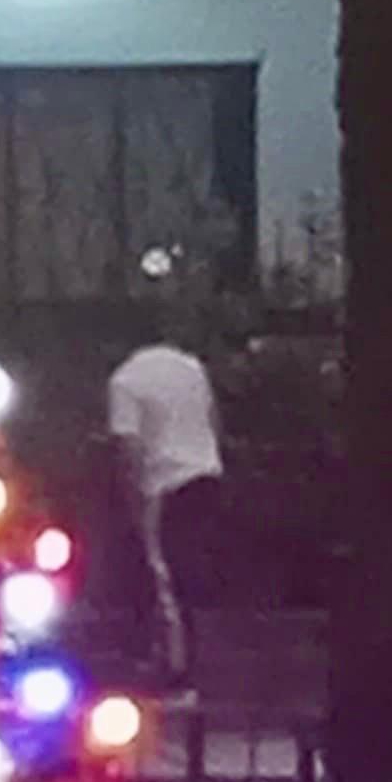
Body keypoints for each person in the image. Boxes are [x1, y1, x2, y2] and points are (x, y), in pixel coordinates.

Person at [107, 295, 226, 690]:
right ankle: (197, 663)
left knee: (165, 576)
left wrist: (134, 501)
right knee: (196, 573)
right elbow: (213, 420)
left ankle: (177, 670)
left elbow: (129, 446)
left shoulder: (125, 380)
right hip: (207, 473)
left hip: (165, 485)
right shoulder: (191, 367)